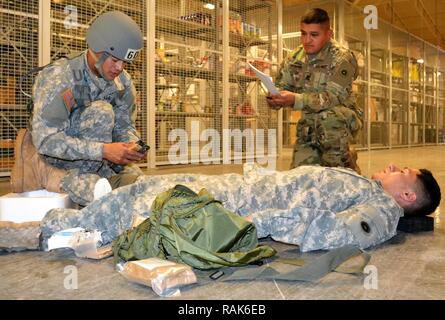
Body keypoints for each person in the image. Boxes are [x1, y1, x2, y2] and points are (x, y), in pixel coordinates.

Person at [34, 162, 440, 253]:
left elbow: (331, 231)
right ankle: (63, 195)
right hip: (246, 188)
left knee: (146, 199)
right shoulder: (367, 185)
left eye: (402, 171)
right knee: (149, 187)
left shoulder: (381, 211)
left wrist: (257, 222)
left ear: (407, 197)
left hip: (242, 203)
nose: (392, 168)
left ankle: (50, 226)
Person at [10, 11, 146, 206]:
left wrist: (131, 145)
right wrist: (103, 151)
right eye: (115, 60)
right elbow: (46, 139)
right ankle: (51, 175)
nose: (119, 68)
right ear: (97, 48)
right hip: (61, 161)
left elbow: (124, 126)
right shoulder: (60, 77)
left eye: (124, 62)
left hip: (103, 161)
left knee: (141, 187)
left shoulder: (122, 83)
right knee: (102, 113)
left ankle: (95, 180)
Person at [267, 8, 363, 173]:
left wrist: (295, 100)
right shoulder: (295, 58)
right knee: (299, 176)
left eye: (314, 35)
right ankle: (337, 158)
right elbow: (283, 87)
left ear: (329, 34)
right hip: (309, 124)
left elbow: (331, 97)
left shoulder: (343, 58)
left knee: (335, 175)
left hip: (340, 120)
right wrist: (275, 98)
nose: (307, 40)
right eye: (303, 33)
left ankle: (345, 163)